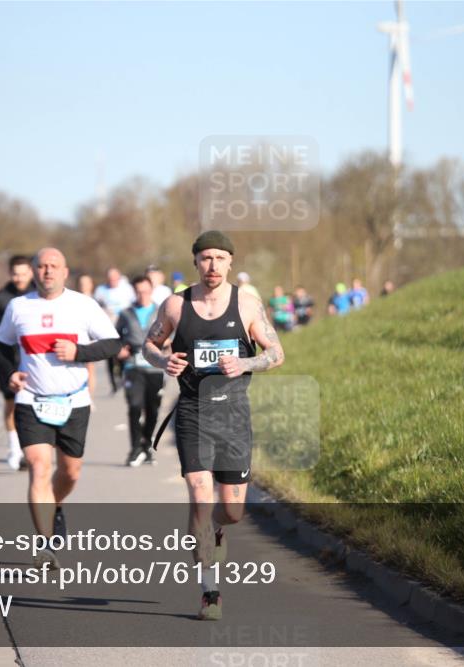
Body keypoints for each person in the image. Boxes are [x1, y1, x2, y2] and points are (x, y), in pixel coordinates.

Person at [144, 230, 284, 621]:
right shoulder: (175, 305)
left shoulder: (247, 306)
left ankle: (219, 529)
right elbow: (149, 345)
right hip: (193, 412)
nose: (212, 266)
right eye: (206, 258)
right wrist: (162, 362)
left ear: (230, 263)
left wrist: (245, 363)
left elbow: (276, 353)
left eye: (220, 258)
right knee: (201, 494)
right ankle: (210, 591)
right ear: (195, 262)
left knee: (233, 510)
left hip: (234, 413)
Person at [0, 248, 122, 569]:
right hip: (31, 399)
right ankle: (46, 544)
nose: (47, 271)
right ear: (34, 272)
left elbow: (112, 343)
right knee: (39, 467)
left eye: (54, 266)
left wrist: (78, 351)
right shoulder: (18, 307)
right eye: (41, 266)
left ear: (65, 271)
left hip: (73, 400)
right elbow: (3, 345)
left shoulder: (83, 305)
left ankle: (56, 504)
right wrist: (10, 373)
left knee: (70, 472)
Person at [0, 255, 35, 471]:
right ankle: (14, 448)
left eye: (23, 273)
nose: (19, 278)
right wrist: (2, 329)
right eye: (15, 274)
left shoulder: (38, 294)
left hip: (34, 359)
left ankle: (30, 449)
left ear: (30, 272)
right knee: (11, 404)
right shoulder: (1, 297)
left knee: (32, 405)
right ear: (10, 273)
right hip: (8, 358)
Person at [115, 276, 164, 467]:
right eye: (138, 291)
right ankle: (135, 448)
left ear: (151, 291)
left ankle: (146, 446)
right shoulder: (126, 313)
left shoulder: (162, 311)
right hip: (133, 366)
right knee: (135, 406)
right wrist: (120, 348)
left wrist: (166, 344)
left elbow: (174, 333)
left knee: (152, 409)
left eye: (145, 291)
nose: (142, 295)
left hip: (155, 367)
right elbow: (115, 336)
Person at [93, 267, 135, 394]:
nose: (112, 281)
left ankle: (122, 375)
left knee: (122, 353)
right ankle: (113, 382)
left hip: (123, 327)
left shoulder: (127, 289)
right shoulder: (100, 290)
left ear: (119, 278)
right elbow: (95, 307)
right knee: (110, 355)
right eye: (110, 279)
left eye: (115, 278)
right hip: (108, 327)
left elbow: (133, 304)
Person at [77, 274, 98, 398]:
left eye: (86, 283)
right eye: (81, 283)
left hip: (90, 336)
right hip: (78, 335)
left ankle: (89, 397)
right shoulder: (73, 299)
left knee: (90, 367)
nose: (83, 286)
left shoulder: (94, 301)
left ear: (91, 285)